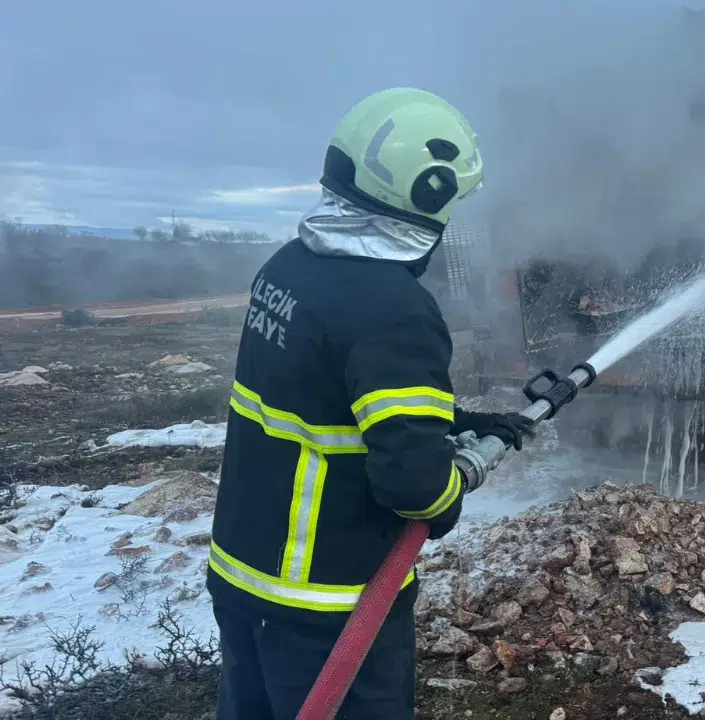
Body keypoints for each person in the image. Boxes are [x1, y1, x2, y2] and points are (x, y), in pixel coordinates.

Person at [207, 87, 533, 719]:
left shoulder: (289, 267)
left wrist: (456, 422)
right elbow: (415, 489)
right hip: (327, 601)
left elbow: (321, 397)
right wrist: (455, 479)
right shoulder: (395, 310)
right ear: (428, 194)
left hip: (243, 575)